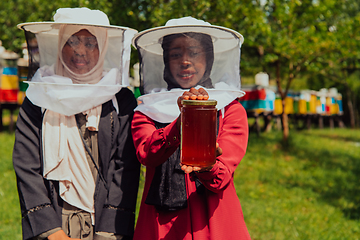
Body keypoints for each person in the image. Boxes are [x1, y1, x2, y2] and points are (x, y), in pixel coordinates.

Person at [13, 8, 140, 240]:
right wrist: (51, 231)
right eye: (72, 41)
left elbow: (125, 168)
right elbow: (26, 164)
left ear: (102, 47)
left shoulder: (120, 99)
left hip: (105, 227)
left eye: (91, 43)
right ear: (60, 45)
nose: (80, 51)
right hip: (54, 225)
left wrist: (109, 232)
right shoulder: (39, 96)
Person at [131, 17, 252, 240]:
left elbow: (221, 178)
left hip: (213, 223)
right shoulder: (147, 110)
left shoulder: (230, 109)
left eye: (195, 52)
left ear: (209, 59)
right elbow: (147, 153)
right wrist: (182, 120)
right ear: (166, 60)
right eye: (176, 54)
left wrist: (207, 163)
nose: (185, 61)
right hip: (160, 226)